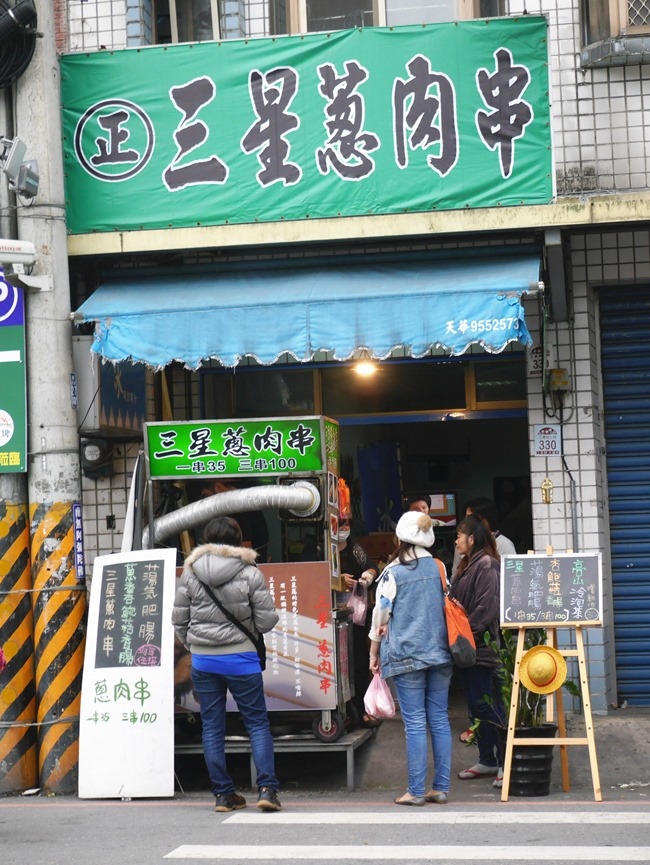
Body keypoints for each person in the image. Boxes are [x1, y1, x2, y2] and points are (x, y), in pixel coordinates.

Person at [172, 515, 281, 812]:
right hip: (242, 659)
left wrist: (196, 644)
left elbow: (178, 620)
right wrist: (250, 629)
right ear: (237, 540)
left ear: (206, 540)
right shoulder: (250, 571)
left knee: (212, 727)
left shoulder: (191, 572)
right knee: (257, 723)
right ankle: (267, 791)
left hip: (204, 661)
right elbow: (268, 620)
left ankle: (223, 795)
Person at [369, 510, 453, 806]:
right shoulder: (440, 567)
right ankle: (440, 788)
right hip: (441, 651)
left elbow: (380, 617)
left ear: (400, 537)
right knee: (439, 719)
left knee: (415, 722)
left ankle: (416, 791)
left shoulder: (393, 573)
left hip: (407, 655)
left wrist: (373, 652)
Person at [449, 513, 505, 788]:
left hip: (482, 649)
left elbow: (486, 610)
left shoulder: (487, 565)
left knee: (490, 705)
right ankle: (487, 759)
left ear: (471, 538)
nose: (456, 540)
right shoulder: (467, 565)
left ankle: (505, 761)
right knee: (476, 707)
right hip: (468, 650)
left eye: (459, 535)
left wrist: (461, 634)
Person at [339, 515, 379, 727]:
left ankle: (362, 709)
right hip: (324, 616)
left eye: (347, 524)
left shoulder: (354, 548)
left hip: (354, 615)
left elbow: (372, 566)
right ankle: (338, 711)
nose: (344, 528)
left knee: (358, 660)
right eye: (341, 524)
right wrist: (335, 579)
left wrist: (367, 576)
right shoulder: (319, 548)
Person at [193, 478, 270, 562]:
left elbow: (244, 549)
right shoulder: (244, 503)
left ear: (218, 487)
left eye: (206, 496)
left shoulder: (240, 509)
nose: (206, 503)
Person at [451, 496, 515, 577]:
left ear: (484, 522)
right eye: (465, 517)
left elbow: (512, 577)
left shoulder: (504, 545)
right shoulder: (461, 544)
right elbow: (455, 576)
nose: (465, 521)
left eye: (470, 518)